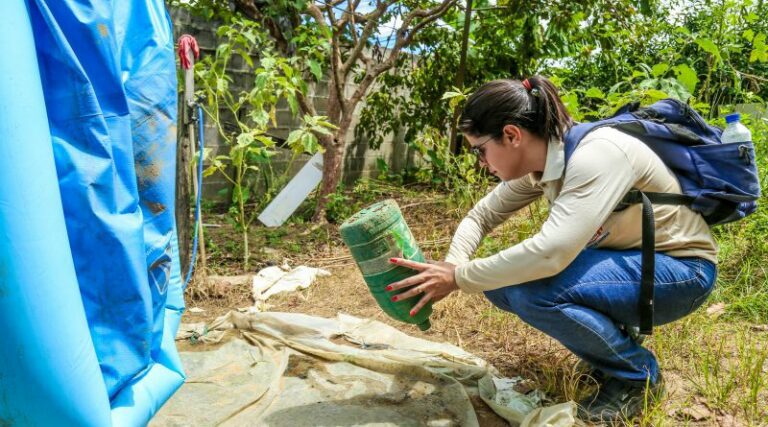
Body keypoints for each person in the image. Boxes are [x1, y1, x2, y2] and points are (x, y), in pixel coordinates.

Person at [386, 76, 718, 422]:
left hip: (682, 272)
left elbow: (551, 253)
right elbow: (481, 215)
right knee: (502, 283)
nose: (481, 162)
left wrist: (458, 277)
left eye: (480, 150)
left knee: (530, 290)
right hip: (636, 264)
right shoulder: (545, 162)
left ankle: (636, 376)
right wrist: (452, 265)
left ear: (512, 135)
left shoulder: (596, 155)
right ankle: (608, 350)